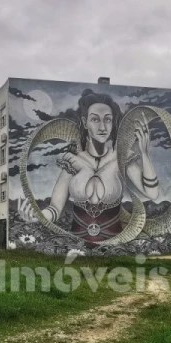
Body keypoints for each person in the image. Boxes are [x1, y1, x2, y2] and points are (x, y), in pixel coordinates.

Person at [19, 89, 161, 244]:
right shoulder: (72, 161)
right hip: (76, 247)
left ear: (113, 123)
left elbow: (152, 193)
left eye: (107, 120)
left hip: (115, 247)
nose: (102, 127)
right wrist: (37, 216)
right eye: (95, 120)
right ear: (85, 123)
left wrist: (145, 154)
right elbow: (55, 209)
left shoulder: (122, 157)